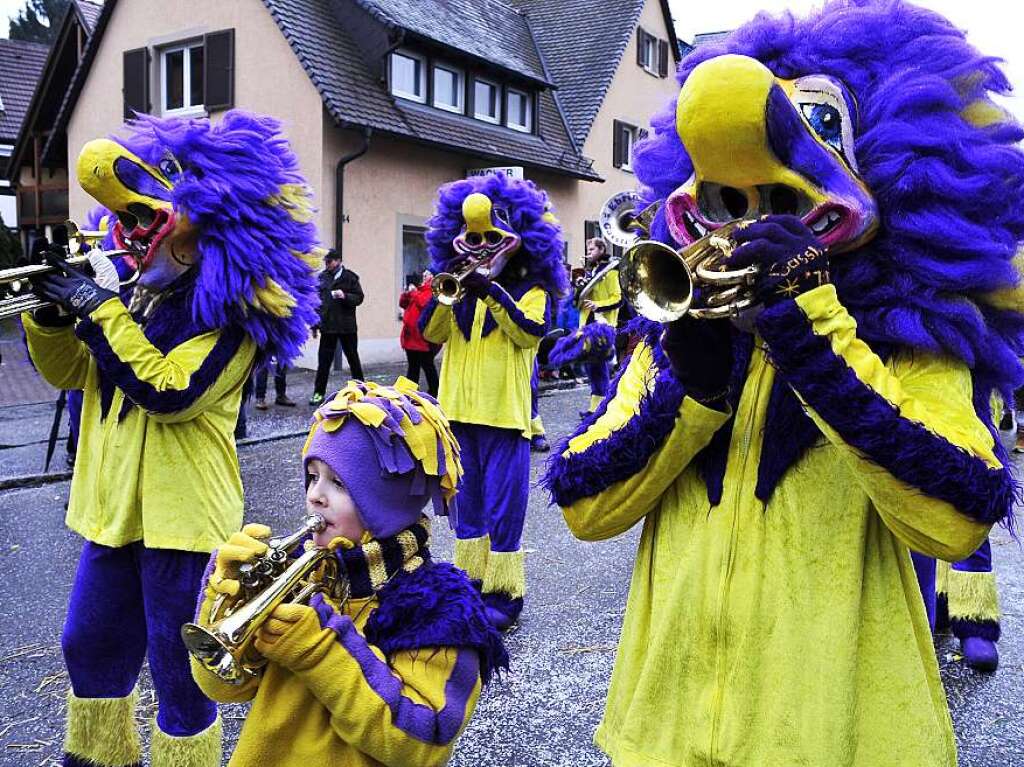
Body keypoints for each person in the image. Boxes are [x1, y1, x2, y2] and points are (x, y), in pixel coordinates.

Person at [544, 4, 1022, 765]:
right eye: (733, 203)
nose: (750, 226)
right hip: (662, 738)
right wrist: (691, 388)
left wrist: (812, 329)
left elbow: (958, 515)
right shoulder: (678, 334)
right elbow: (582, 504)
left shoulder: (905, 338)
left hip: (836, 739)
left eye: (785, 202)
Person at [24, 111, 319, 767]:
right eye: (123, 221)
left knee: (181, 672)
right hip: (113, 513)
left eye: (140, 218)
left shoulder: (237, 318)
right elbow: (73, 372)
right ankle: (101, 757)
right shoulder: (129, 296)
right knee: (87, 643)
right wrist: (50, 320)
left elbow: (170, 391)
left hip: (184, 522)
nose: (129, 232)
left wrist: (98, 309)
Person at [190, 379, 507, 765]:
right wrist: (223, 599)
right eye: (312, 476)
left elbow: (421, 744)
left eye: (338, 483)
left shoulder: (440, 608)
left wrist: (321, 652)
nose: (314, 495)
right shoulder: (298, 573)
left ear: (386, 504)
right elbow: (223, 688)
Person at [421, 173, 567, 629]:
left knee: (504, 511)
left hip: (505, 418)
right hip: (458, 416)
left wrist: (493, 290)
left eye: (492, 237)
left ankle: (505, 593)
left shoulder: (533, 292)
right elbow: (430, 335)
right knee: (467, 507)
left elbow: (529, 332)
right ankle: (470, 584)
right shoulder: (458, 289)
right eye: (473, 238)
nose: (482, 246)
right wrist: (447, 295)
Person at [548, 239, 621, 417]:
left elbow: (618, 298)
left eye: (592, 248)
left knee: (599, 366)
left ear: (602, 249)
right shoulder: (591, 271)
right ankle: (595, 406)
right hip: (586, 324)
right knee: (591, 367)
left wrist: (598, 304)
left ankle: (600, 408)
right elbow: (579, 302)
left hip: (602, 324)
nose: (589, 251)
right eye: (588, 248)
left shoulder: (610, 272)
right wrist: (577, 289)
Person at [311, 249, 364, 405]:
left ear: (338, 260)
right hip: (328, 326)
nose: (327, 265)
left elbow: (359, 298)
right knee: (324, 362)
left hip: (346, 327)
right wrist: (314, 324)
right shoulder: (322, 278)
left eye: (329, 261)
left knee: (353, 359)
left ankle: (362, 390)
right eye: (325, 262)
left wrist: (345, 296)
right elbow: (316, 302)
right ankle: (318, 393)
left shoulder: (350, 277)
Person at [399, 270, 439, 396]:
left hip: (422, 339)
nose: (424, 275)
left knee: (428, 367)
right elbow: (403, 304)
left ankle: (435, 391)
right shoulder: (419, 290)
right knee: (413, 367)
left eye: (427, 274)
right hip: (411, 337)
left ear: (433, 277)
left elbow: (424, 303)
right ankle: (410, 392)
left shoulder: (432, 291)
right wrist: (406, 294)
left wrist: (413, 292)